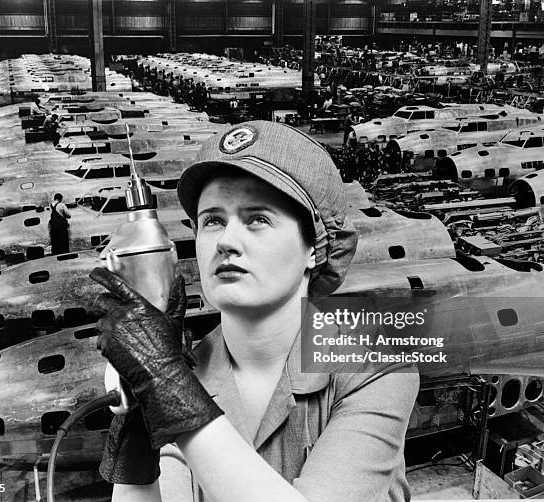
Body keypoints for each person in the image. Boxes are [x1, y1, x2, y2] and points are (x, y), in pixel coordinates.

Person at [91, 121, 419, 502]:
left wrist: (168, 388)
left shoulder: (375, 365)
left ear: (316, 248)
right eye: (212, 220)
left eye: (258, 219)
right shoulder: (186, 373)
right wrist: (137, 430)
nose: (227, 241)